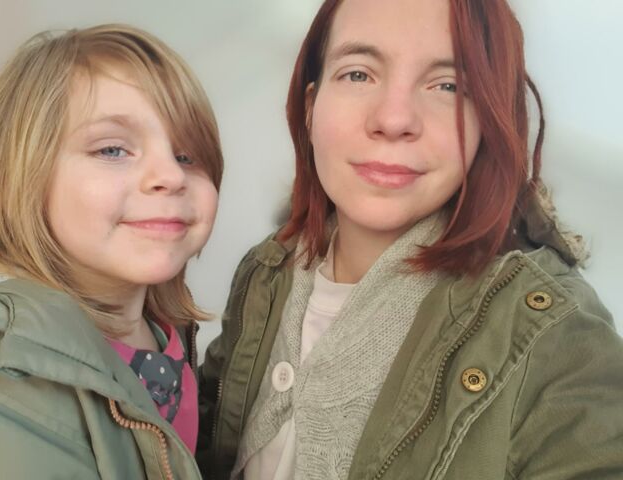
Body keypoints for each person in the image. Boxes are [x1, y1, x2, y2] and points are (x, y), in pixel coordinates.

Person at [197, 0, 623, 479]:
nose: (395, 118)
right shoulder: (266, 274)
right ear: (311, 106)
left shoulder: (555, 335)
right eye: (358, 74)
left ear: (488, 120)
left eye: (448, 85)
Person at [0, 24, 222, 479]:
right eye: (113, 149)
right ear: (25, 173)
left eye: (187, 156)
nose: (171, 176)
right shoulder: (5, 380)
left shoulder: (165, 330)